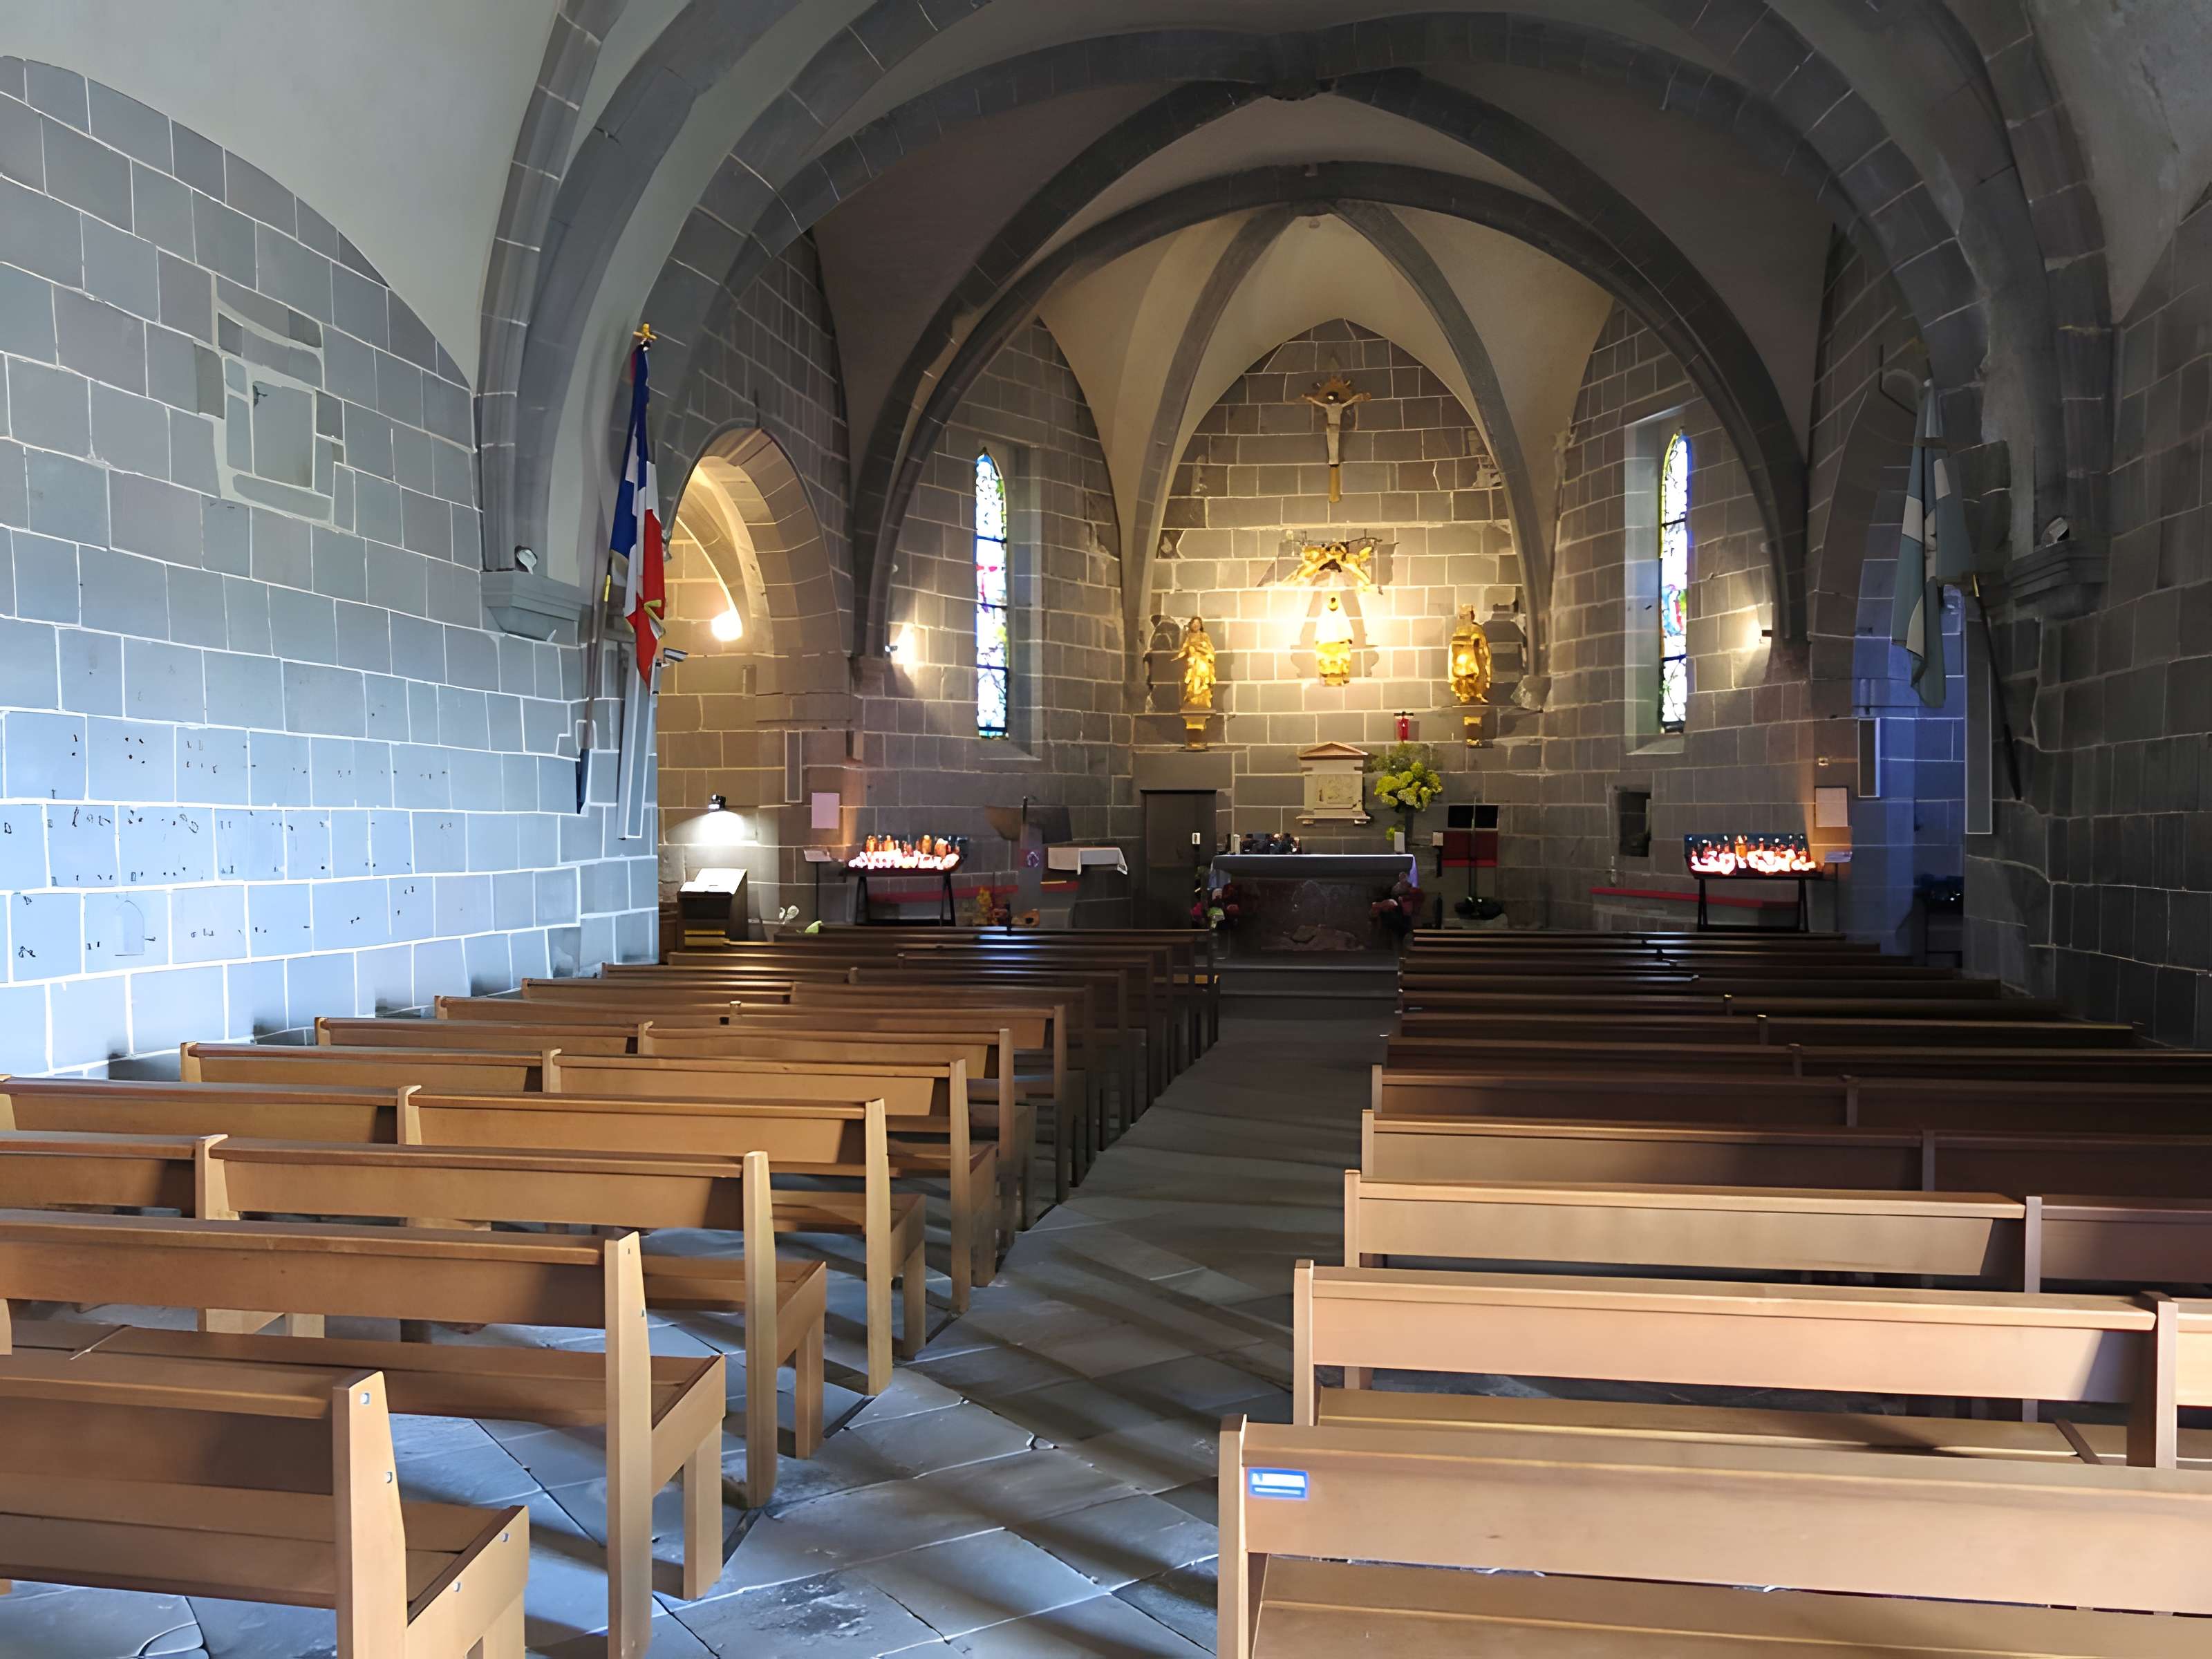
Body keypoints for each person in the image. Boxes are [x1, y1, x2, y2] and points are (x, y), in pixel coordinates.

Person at [1178, 615, 1217, 709]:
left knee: (1202, 677)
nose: (1196, 625)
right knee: (1193, 680)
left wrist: (1200, 648)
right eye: (1194, 623)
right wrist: (1183, 653)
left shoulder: (1204, 635)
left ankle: (1202, 698)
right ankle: (1194, 698)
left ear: (1201, 625)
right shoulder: (1189, 637)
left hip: (1203, 662)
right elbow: (1185, 648)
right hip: (1192, 663)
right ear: (1191, 625)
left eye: (1198, 623)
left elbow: (1211, 650)